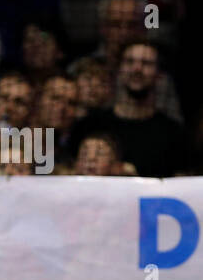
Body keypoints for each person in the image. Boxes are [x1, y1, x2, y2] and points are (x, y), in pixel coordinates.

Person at [68, 40, 188, 178]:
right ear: (119, 70)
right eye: (129, 62)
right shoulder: (88, 125)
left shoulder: (174, 134)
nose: (137, 69)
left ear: (160, 75)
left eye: (146, 63)